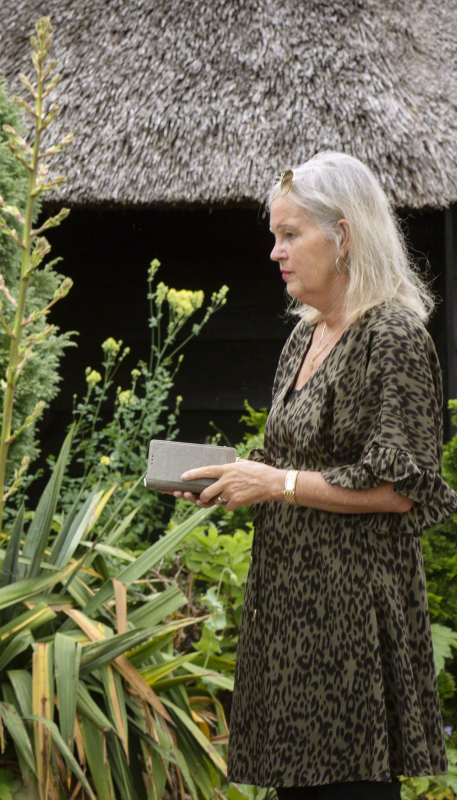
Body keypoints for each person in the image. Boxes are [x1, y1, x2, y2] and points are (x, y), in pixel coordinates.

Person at [167, 152, 457, 798]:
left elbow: (403, 490)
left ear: (345, 234)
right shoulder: (304, 337)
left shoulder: (394, 338)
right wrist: (234, 478)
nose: (276, 252)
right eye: (276, 235)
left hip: (352, 623)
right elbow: (290, 462)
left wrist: (276, 485)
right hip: (292, 616)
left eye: (291, 235)